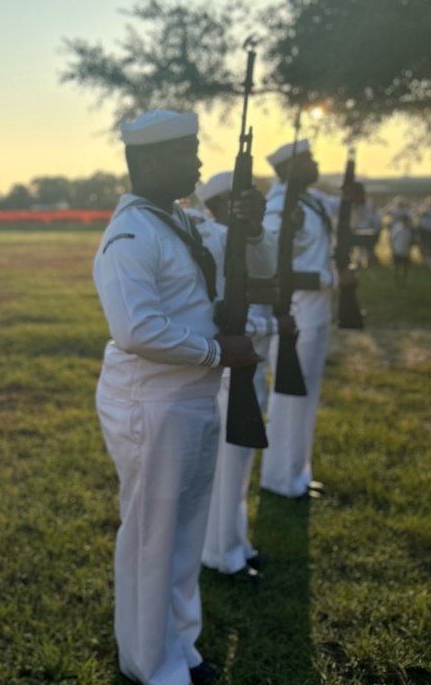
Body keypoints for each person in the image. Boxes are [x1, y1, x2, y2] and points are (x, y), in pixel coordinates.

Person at [93, 111, 272, 685]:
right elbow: (137, 331)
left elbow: (263, 269)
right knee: (152, 536)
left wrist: (255, 227)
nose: (199, 162)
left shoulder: (184, 224)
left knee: (185, 531)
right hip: (152, 402)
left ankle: (179, 646)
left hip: (190, 396)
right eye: (186, 152)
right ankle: (150, 663)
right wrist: (221, 353)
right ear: (147, 162)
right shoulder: (130, 236)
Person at [258, 140, 359, 500]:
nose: (316, 164)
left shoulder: (310, 200)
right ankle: (279, 479)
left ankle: (298, 474)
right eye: (309, 160)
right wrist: (331, 279)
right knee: (289, 397)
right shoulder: (280, 206)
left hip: (316, 313)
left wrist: (352, 197)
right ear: (288, 168)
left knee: (308, 395)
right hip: (296, 313)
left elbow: (346, 210)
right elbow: (272, 266)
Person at [193, 172, 279, 583]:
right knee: (229, 461)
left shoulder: (245, 240)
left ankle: (234, 541)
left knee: (240, 459)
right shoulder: (212, 239)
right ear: (223, 205)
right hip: (231, 361)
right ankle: (221, 552)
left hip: (249, 356)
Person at [387, 197, 415, 286]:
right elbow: (392, 238)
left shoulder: (409, 230)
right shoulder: (397, 229)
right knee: (397, 266)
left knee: (405, 267)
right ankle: (396, 280)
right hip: (398, 250)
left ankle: (403, 280)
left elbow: (411, 240)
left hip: (405, 251)